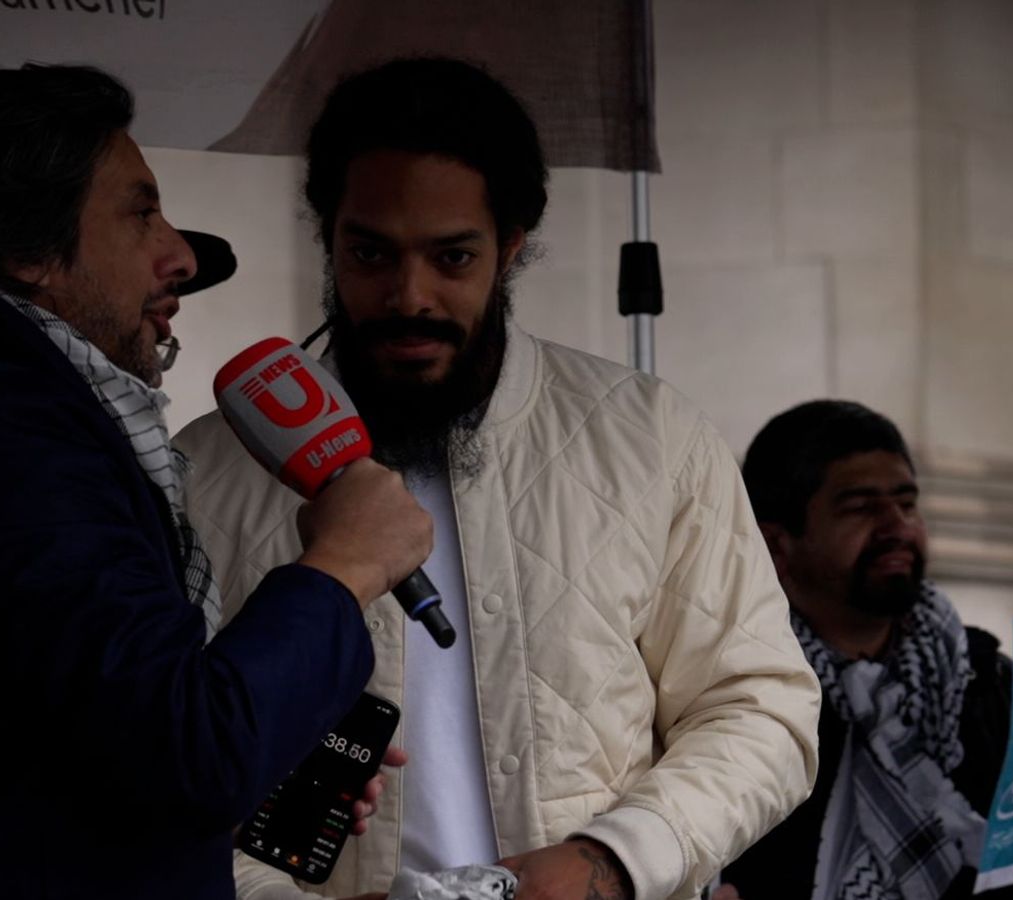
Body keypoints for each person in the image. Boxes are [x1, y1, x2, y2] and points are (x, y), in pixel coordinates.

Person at [175, 58, 821, 900]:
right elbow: (147, 778)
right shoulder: (206, 473)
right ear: (329, 239)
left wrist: (614, 861)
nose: (410, 296)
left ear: (510, 248)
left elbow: (761, 709)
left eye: (451, 257)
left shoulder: (649, 439)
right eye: (371, 253)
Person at [0, 65, 431, 900]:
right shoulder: (10, 432)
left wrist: (252, 757)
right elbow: (189, 755)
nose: (181, 255)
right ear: (27, 249)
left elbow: (4, 747)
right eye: (141, 213)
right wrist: (345, 564)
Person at [721, 400, 1013, 900]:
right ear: (776, 546)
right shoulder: (729, 695)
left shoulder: (990, 687)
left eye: (907, 504)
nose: (897, 526)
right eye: (861, 507)